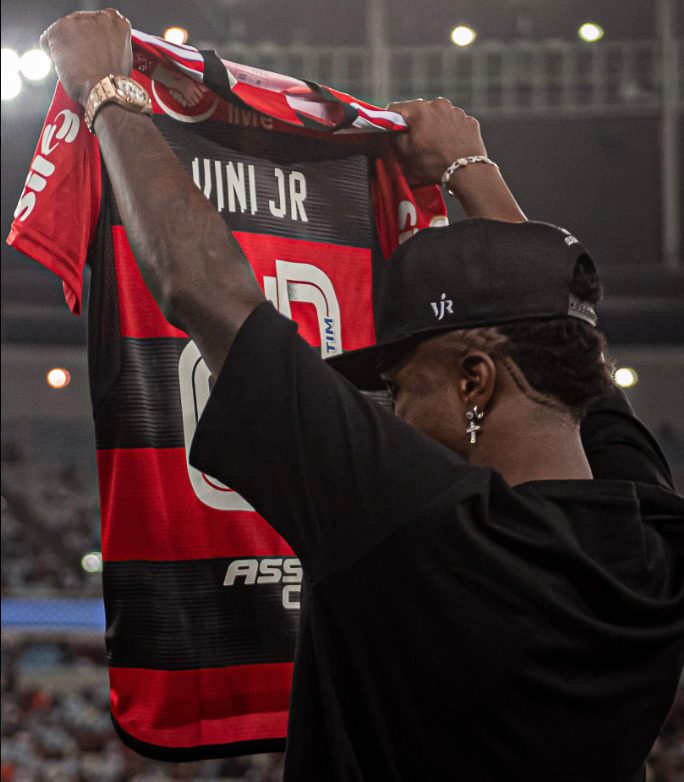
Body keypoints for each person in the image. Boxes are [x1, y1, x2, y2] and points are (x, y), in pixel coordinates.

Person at [40, 9, 683, 782]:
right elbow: (565, 332)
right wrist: (466, 166)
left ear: (474, 380)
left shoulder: (419, 527)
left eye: (403, 383)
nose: (394, 410)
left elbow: (206, 294)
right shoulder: (650, 532)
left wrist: (107, 91)